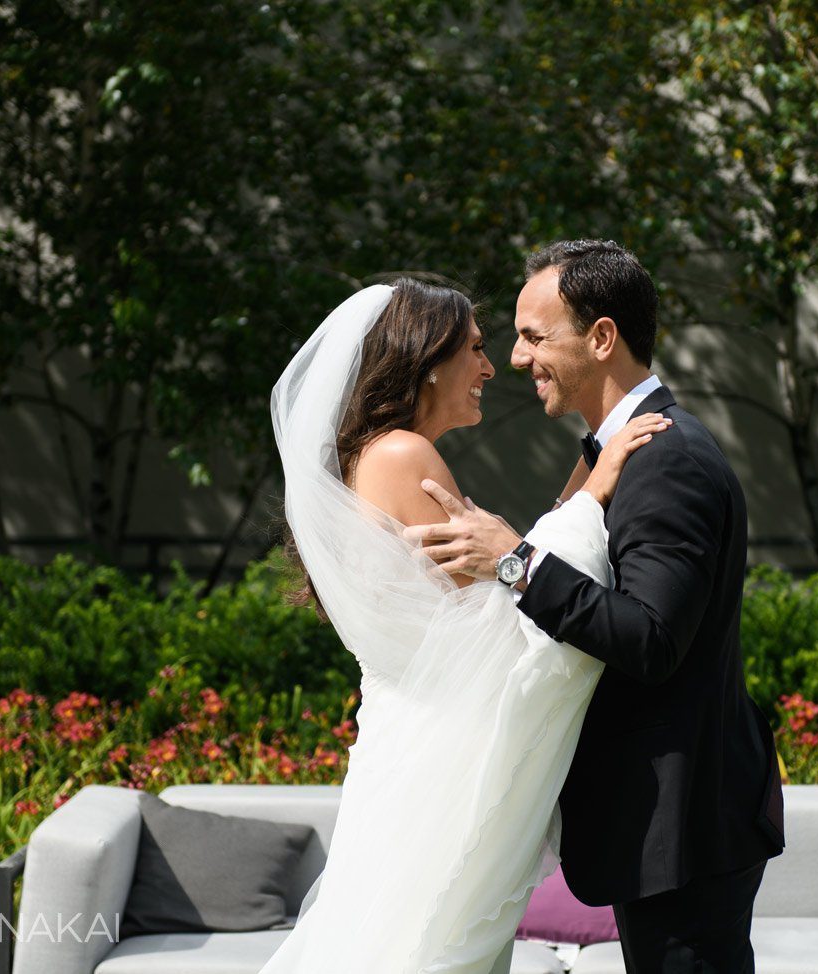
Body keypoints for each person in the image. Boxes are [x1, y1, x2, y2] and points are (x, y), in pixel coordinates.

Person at [260, 277, 667, 974]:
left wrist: (586, 468)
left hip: (410, 741)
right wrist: (596, 494)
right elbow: (500, 625)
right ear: (427, 360)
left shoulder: (375, 456)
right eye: (475, 351)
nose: (491, 367)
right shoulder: (401, 456)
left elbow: (488, 579)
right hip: (437, 756)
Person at [407, 240, 786, 974]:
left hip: (684, 827)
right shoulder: (620, 455)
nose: (517, 359)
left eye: (534, 336)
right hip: (667, 824)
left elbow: (651, 640)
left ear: (603, 337)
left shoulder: (667, 463)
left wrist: (515, 563)